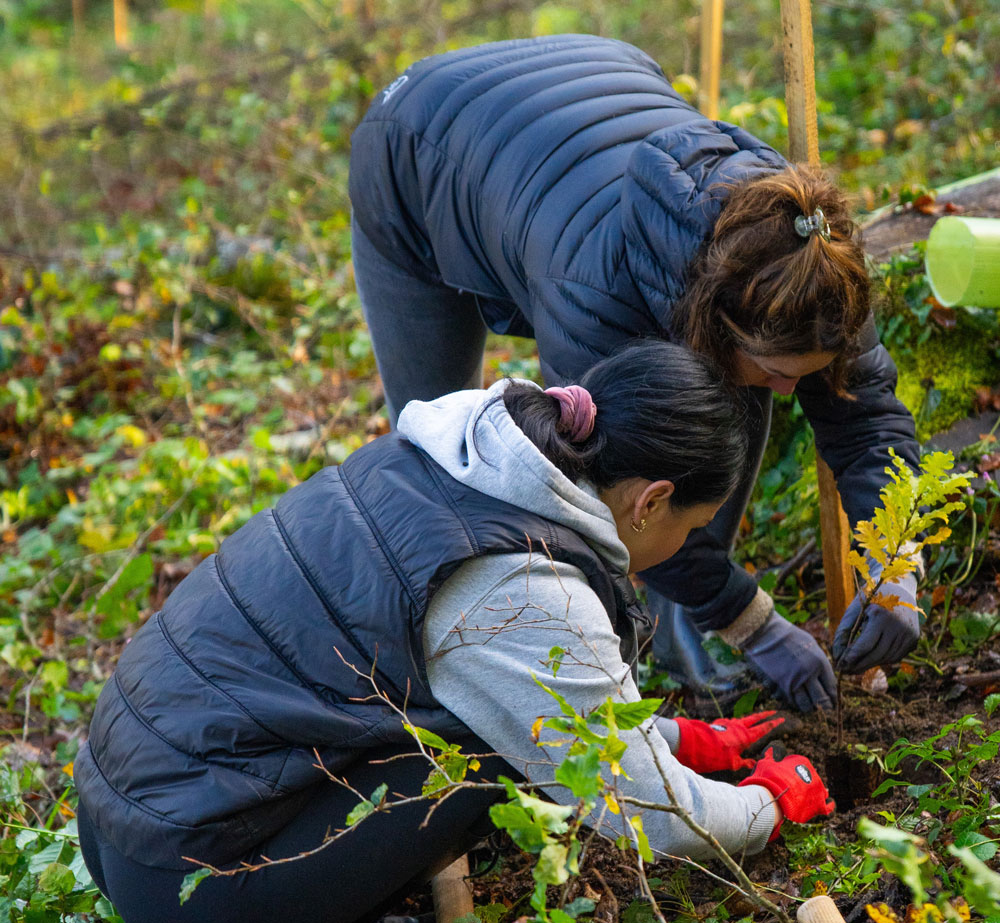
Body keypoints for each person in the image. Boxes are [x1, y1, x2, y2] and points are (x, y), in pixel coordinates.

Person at [75, 342, 834, 923]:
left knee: (488, 720)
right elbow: (650, 813)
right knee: (493, 757)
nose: (688, 542)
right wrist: (769, 803)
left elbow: (504, 678)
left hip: (127, 819)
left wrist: (671, 736)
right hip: (194, 879)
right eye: (694, 528)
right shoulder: (517, 580)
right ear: (651, 500)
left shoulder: (475, 450)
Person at [348, 34, 922, 711]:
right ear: (714, 317)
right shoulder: (595, 296)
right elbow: (607, 481)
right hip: (420, 140)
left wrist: (895, 561)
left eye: (804, 373)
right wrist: (757, 624)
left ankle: (688, 626)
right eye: (778, 369)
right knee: (440, 454)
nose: (794, 392)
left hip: (588, 82)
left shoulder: (811, 261)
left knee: (736, 394)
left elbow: (865, 417)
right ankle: (441, 668)